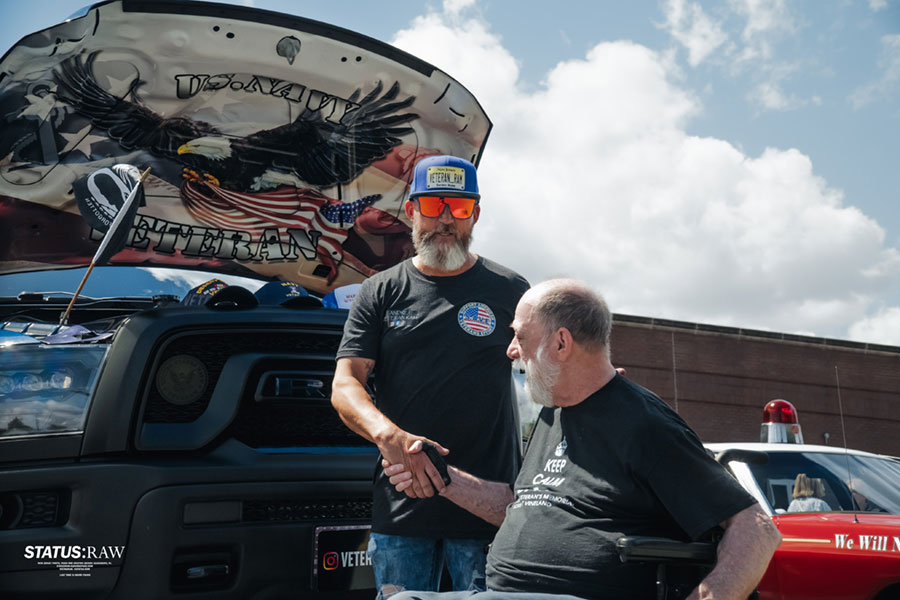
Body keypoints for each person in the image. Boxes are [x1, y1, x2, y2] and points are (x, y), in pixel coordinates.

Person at [384, 279, 782, 600]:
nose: (510, 351)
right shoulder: (552, 413)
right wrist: (443, 478)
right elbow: (521, 506)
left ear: (560, 343)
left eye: (520, 336)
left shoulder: (644, 423)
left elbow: (758, 528)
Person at [331, 154, 530, 598]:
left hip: (487, 510)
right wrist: (391, 438)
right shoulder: (379, 291)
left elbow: (547, 373)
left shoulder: (511, 290)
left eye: (458, 208)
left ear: (474, 215)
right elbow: (346, 385)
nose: (445, 219)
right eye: (433, 205)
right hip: (404, 510)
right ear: (411, 211)